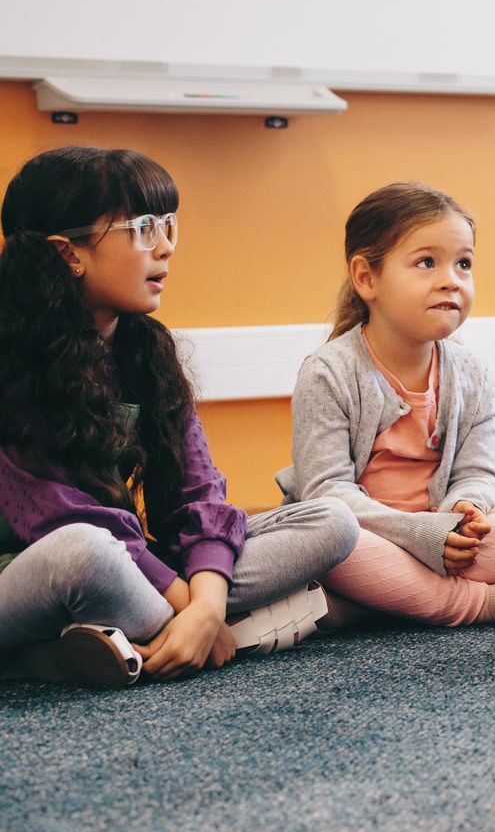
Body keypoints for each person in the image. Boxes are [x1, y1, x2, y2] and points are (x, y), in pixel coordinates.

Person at [0, 147, 358, 687]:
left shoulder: (146, 350)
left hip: (133, 573)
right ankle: (212, 636)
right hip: (30, 573)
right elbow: (62, 520)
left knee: (331, 521)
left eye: (169, 224)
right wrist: (192, 606)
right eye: (143, 228)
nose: (166, 246)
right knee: (87, 553)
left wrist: (206, 604)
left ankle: (100, 649)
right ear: (67, 253)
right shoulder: (12, 359)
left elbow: (199, 496)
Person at [279, 183, 495, 629]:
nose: (451, 280)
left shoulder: (472, 372)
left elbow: (479, 472)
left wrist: (466, 510)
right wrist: (421, 536)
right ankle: (477, 605)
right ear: (367, 278)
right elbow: (327, 494)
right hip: (369, 537)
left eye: (463, 263)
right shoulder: (327, 372)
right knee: (330, 535)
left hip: (445, 538)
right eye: (427, 263)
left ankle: (376, 602)